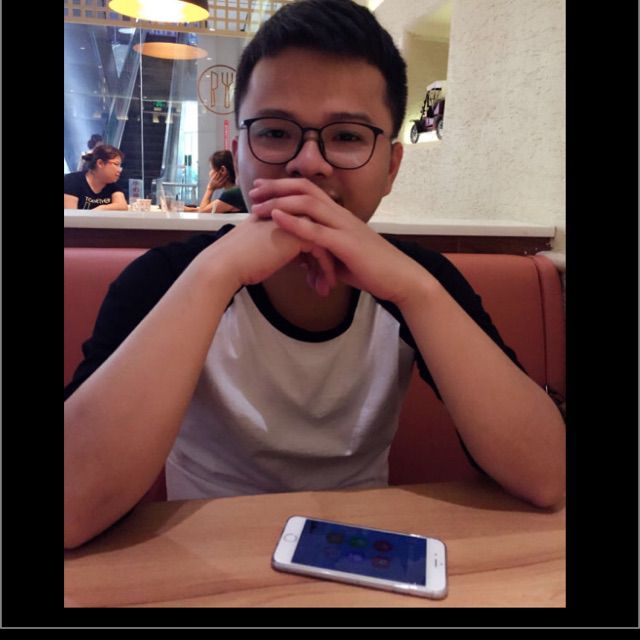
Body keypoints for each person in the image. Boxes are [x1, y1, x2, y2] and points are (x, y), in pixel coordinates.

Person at [64, 0, 565, 548]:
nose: (308, 162)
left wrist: (414, 290)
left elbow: (546, 475)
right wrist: (218, 272)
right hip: (203, 556)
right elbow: (70, 506)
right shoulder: (165, 278)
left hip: (363, 554)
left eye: (347, 136)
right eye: (276, 132)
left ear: (391, 167)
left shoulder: (422, 282)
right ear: (239, 153)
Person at [64, 144, 128, 211]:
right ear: (100, 163)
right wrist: (94, 214)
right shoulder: (72, 181)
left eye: (120, 166)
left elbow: (122, 206)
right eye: (116, 164)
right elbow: (71, 215)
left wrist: (101, 209)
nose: (120, 170)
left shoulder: (112, 184)